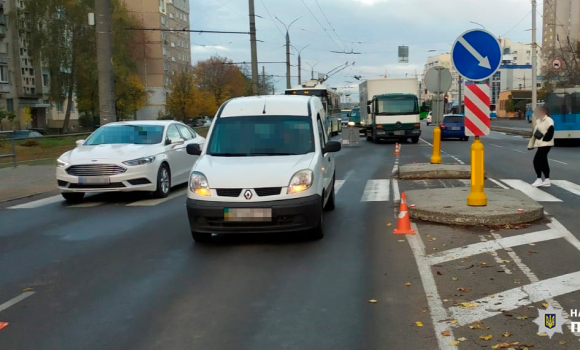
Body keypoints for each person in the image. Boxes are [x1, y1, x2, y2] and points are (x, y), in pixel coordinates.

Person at [527, 106, 555, 187]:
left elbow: (551, 130)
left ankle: (538, 178)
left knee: (536, 161)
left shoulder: (548, 120)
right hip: (540, 143)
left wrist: (546, 138)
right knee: (543, 161)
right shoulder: (538, 120)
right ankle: (547, 180)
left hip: (546, 144)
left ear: (544, 112)